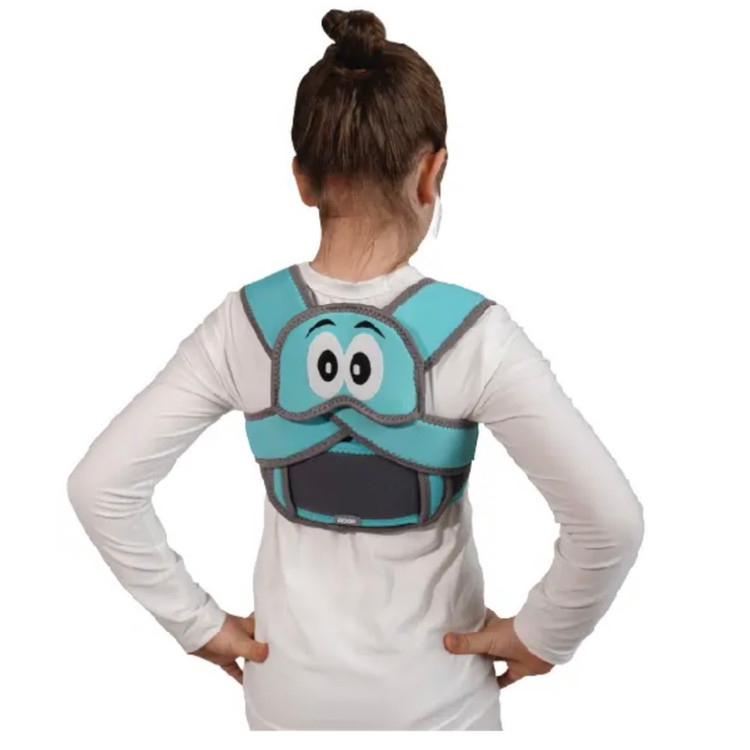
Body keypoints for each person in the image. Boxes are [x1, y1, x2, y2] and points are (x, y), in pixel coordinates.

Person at [67, 9, 645, 732]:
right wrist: (545, 632)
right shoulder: (477, 334)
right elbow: (610, 522)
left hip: (287, 699)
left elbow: (100, 487)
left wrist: (197, 624)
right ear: (432, 173)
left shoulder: (242, 324)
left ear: (302, 180)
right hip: (438, 704)